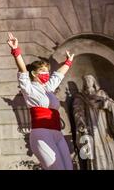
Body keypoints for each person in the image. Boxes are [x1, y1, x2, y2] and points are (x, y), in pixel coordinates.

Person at [8, 32, 75, 170]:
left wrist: (68, 62)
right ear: (34, 73)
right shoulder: (29, 88)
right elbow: (22, 70)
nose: (47, 73)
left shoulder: (48, 88)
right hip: (41, 133)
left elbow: (58, 75)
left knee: (69, 168)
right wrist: (16, 51)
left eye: (47, 71)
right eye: (43, 71)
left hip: (57, 133)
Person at [72, 75, 114, 170]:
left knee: (110, 148)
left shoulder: (101, 93)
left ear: (94, 81)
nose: (88, 82)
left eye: (90, 80)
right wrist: (81, 123)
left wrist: (106, 104)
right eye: (86, 80)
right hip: (91, 127)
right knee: (95, 149)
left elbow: (113, 105)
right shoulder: (81, 97)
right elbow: (78, 111)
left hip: (104, 126)